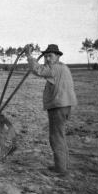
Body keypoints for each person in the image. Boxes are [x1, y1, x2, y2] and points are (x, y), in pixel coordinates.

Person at [26, 44, 77, 176]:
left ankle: (60, 169)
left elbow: (37, 70)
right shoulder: (64, 67)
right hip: (65, 105)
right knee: (60, 135)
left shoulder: (54, 68)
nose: (48, 59)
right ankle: (62, 165)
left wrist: (29, 56)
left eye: (50, 56)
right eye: (46, 56)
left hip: (58, 106)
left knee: (55, 137)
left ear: (58, 56)